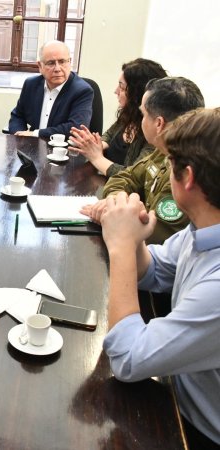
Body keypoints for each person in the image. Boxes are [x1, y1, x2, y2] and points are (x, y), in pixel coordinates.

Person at [101, 107, 220, 449]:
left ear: (188, 178)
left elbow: (127, 358)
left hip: (198, 433)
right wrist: (134, 236)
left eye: (169, 164)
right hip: (177, 393)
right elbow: (154, 270)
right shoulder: (203, 228)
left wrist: (121, 246)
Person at [81, 77, 204, 244]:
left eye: (144, 114)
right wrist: (116, 200)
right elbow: (125, 176)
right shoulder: (163, 151)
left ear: (159, 123)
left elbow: (154, 235)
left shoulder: (184, 170)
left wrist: (116, 213)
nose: (141, 120)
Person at [69, 58, 167, 177]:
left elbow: (134, 177)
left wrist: (96, 158)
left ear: (138, 94)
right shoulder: (130, 114)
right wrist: (95, 145)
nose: (116, 91)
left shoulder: (153, 131)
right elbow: (110, 134)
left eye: (122, 87)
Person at [8, 40, 93, 139]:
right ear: (40, 66)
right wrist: (20, 136)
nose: (57, 69)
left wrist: (35, 134)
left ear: (70, 62)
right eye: (51, 63)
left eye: (62, 62)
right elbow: (18, 116)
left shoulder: (82, 91)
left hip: (63, 147)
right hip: (32, 145)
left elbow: (76, 128)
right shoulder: (31, 85)